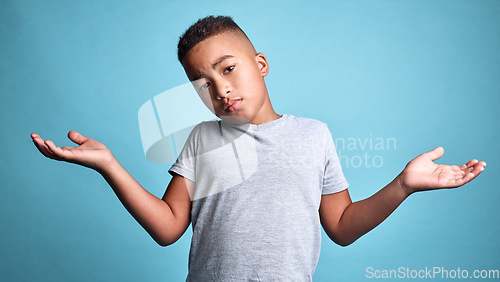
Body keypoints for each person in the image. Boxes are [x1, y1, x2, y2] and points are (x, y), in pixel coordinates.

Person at [31, 15, 486, 281]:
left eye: (228, 69)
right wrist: (108, 164)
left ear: (260, 64)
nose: (220, 89)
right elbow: (169, 227)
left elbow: (343, 227)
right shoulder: (202, 139)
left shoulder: (314, 135)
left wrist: (402, 186)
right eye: (203, 83)